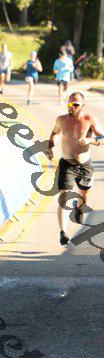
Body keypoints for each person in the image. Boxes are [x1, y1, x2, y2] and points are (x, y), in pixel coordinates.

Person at [46, 92, 104, 245]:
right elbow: (54, 133)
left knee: (84, 195)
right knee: (63, 197)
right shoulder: (61, 119)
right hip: (67, 164)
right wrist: (50, 147)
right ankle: (63, 232)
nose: (72, 106)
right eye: (70, 103)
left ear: (83, 106)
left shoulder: (89, 119)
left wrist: (90, 140)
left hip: (85, 166)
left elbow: (102, 137)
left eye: (75, 104)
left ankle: (78, 207)